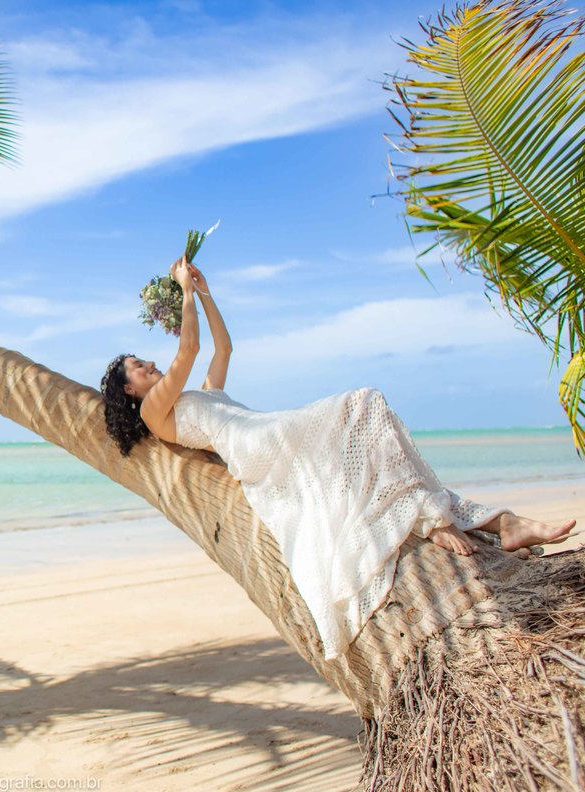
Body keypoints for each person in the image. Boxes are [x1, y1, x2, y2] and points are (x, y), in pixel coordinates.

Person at [99, 254, 578, 659]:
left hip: (268, 431)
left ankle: (499, 522)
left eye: (146, 360)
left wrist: (204, 291)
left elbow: (222, 346)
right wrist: (183, 289)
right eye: (139, 367)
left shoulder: (197, 395)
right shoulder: (157, 409)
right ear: (129, 388)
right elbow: (191, 345)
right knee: (363, 403)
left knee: (369, 425)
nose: (150, 365)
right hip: (259, 445)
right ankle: (436, 519)